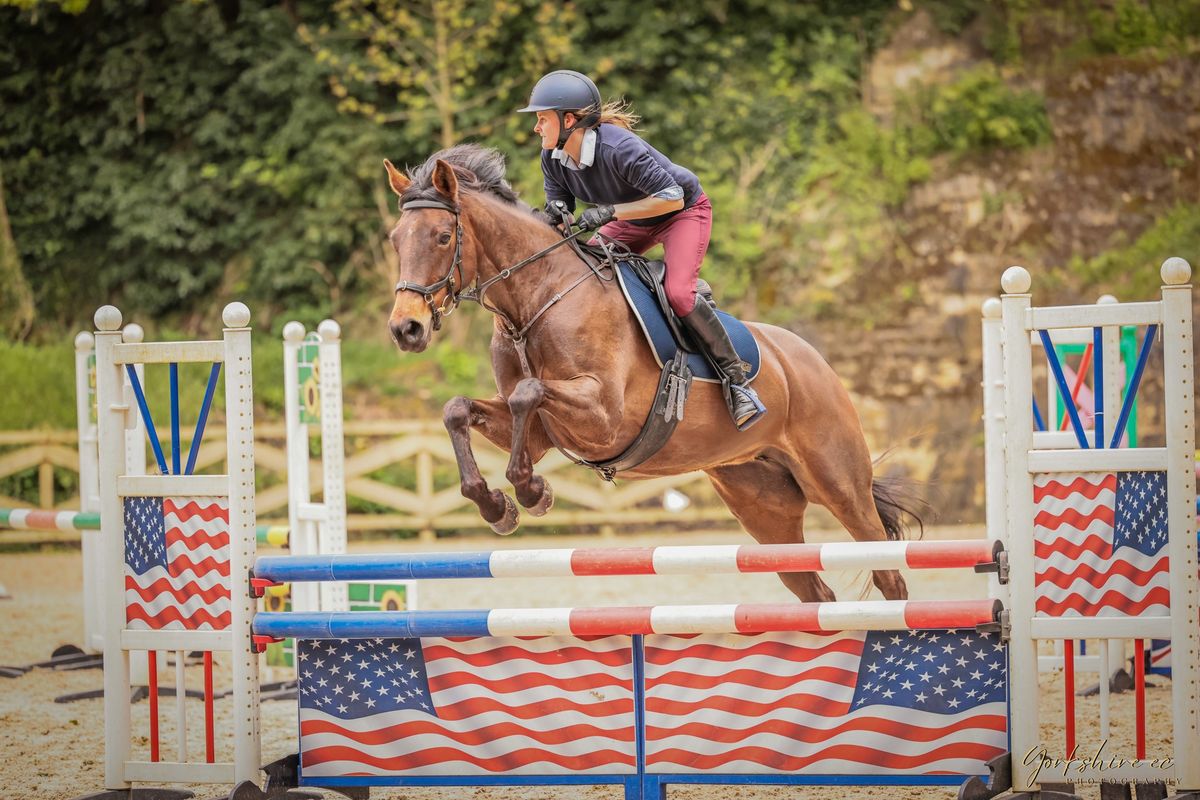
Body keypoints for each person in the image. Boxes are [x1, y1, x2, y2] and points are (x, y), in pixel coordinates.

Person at [517, 69, 766, 430]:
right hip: (633, 219)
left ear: (568, 119)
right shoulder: (552, 158)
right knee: (585, 269)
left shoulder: (619, 148)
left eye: (542, 119)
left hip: (682, 212)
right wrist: (550, 221)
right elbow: (561, 213)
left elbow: (671, 198)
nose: (537, 128)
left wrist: (611, 212)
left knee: (679, 294)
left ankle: (736, 382)